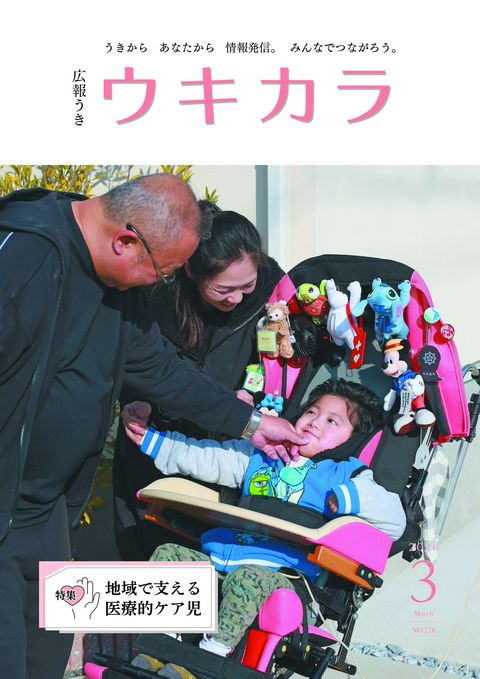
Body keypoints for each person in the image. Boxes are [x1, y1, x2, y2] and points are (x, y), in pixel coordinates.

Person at [0, 175, 305, 679]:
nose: (160, 284)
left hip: (44, 510)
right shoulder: (24, 259)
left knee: (43, 654)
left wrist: (250, 423)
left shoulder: (118, 284)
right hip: (5, 504)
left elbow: (158, 369)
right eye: (163, 272)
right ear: (126, 241)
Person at [125, 379, 406, 670]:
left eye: (332, 421)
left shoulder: (345, 475)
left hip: (286, 581)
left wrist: (350, 497)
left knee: (247, 579)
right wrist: (154, 441)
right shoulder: (263, 455)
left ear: (352, 440)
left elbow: (395, 522)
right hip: (222, 561)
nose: (315, 422)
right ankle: (160, 644)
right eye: (311, 412)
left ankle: (209, 661)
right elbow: (206, 458)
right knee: (169, 554)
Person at [114, 202, 285, 559]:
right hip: (157, 447)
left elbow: (286, 364)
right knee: (150, 562)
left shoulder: (274, 290)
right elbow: (141, 368)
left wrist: (255, 399)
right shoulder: (156, 294)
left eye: (247, 285)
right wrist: (134, 401)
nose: (237, 298)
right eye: (223, 289)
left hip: (229, 456)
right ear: (191, 271)